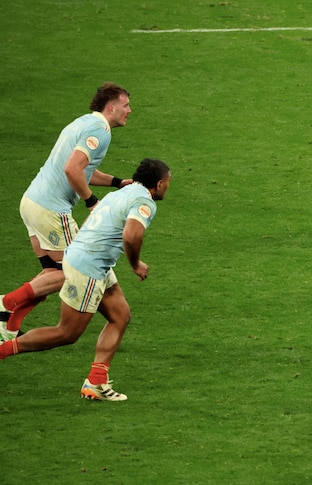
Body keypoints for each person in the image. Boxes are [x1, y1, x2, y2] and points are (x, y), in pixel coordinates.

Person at [0, 158, 171, 401]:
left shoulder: (122, 192)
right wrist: (136, 265)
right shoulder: (145, 202)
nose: (168, 187)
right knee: (67, 333)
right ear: (159, 183)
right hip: (88, 267)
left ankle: (96, 382)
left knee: (120, 316)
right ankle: (3, 350)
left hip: (88, 259)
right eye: (168, 183)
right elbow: (132, 237)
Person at [1, 82, 133, 342]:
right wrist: (91, 201)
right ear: (112, 107)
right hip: (51, 208)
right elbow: (73, 169)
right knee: (73, 270)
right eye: (126, 105)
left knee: (51, 273)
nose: (130, 110)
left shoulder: (83, 122)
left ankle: (8, 326)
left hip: (32, 202)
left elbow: (82, 169)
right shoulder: (100, 130)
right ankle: (5, 303)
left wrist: (117, 182)